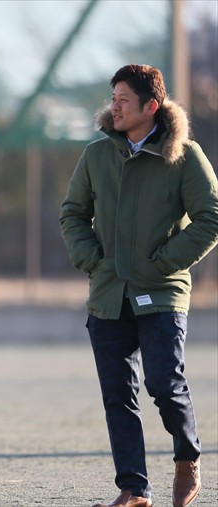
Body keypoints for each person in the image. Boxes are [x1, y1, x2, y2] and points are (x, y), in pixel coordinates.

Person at [59, 64, 218, 507]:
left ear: (151, 106)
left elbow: (211, 218)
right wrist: (92, 260)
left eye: (124, 99)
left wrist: (164, 262)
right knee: (118, 396)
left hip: (162, 293)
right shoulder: (96, 155)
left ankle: (187, 458)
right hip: (108, 294)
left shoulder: (184, 155)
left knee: (164, 383)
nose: (115, 106)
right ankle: (134, 489)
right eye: (113, 98)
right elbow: (73, 214)